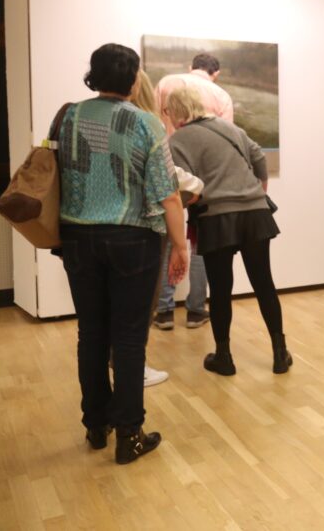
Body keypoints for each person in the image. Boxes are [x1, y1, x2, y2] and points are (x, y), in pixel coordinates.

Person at [54, 43, 188, 464]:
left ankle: (96, 425)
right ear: (133, 79)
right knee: (129, 338)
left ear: (93, 75)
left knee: (91, 333)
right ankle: (129, 434)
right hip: (132, 239)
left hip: (78, 236)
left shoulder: (70, 115)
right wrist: (180, 245)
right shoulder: (145, 123)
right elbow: (167, 194)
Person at [164, 87, 290, 376]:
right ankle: (280, 354)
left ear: (176, 111)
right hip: (255, 213)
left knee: (221, 290)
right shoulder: (229, 128)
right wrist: (259, 190)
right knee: (264, 284)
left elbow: (186, 187)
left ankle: (224, 357)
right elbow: (258, 157)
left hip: (216, 217)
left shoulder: (178, 140)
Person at [130, 70, 206, 388]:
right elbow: (170, 187)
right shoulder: (149, 126)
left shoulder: (81, 117)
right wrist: (196, 186)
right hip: (149, 224)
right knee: (138, 303)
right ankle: (134, 368)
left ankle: (162, 314)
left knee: (108, 313)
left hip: (101, 229)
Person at [152, 54, 230, 331]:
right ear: (216, 73)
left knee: (167, 237)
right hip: (205, 173)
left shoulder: (166, 82)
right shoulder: (221, 94)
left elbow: (154, 124)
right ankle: (196, 310)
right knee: (198, 241)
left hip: (169, 166)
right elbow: (224, 138)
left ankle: (163, 311)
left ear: (191, 67)